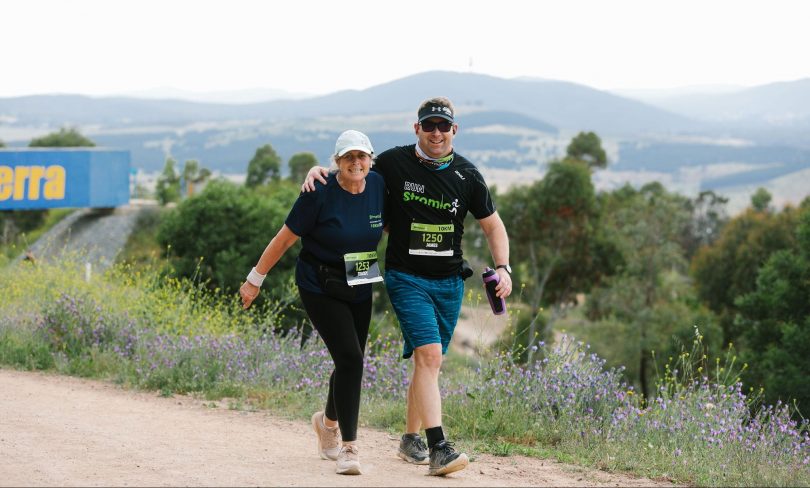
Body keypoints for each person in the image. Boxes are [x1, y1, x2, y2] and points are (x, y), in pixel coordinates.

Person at [303, 97, 512, 476]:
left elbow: (493, 225)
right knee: (430, 357)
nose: (436, 132)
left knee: (428, 362)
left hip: (449, 282)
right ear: (416, 128)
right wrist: (318, 170)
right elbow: (353, 170)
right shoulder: (393, 163)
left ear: (454, 130)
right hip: (406, 277)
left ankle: (405, 437)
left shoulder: (468, 175)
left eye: (443, 126)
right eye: (428, 125)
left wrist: (504, 268)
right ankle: (440, 448)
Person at [241, 130, 385, 476]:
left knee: (351, 360)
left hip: (361, 275)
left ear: (370, 159)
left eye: (361, 156)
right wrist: (255, 279)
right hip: (319, 281)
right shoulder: (317, 191)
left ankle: (326, 423)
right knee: (350, 359)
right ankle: (349, 447)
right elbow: (285, 238)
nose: (356, 163)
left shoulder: (380, 184)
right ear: (336, 162)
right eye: (348, 157)